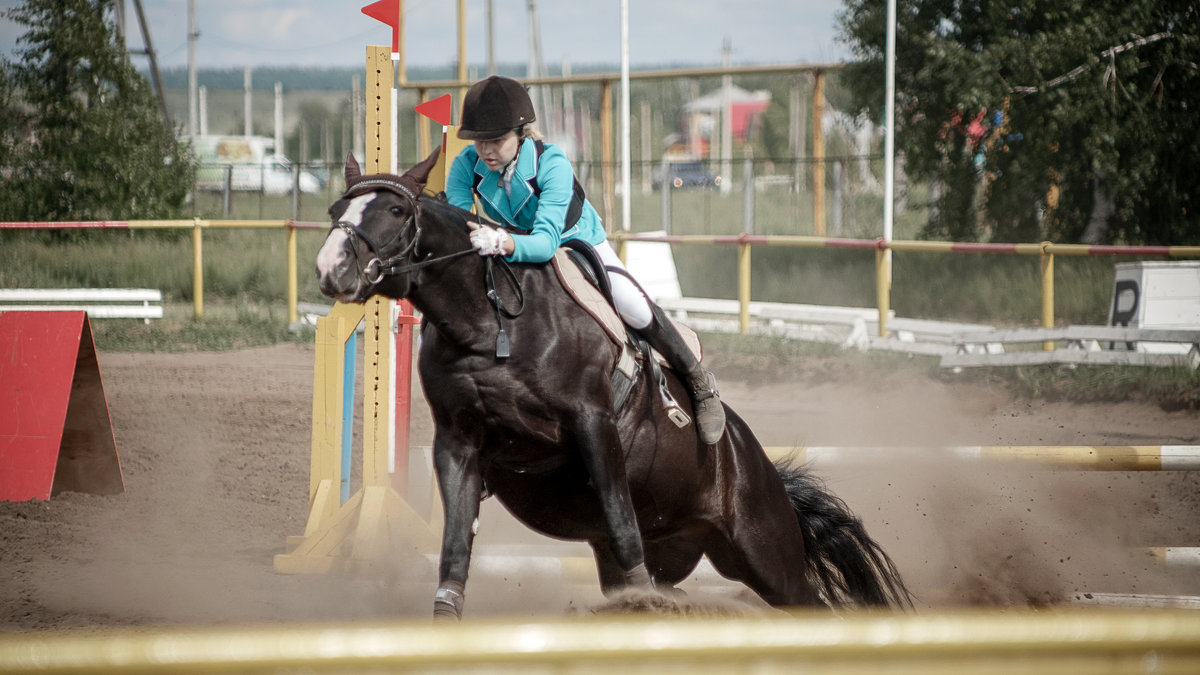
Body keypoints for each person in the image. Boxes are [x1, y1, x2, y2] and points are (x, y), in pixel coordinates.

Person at [445, 75, 725, 444]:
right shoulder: (467, 164)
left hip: (578, 244)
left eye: (496, 140)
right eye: (479, 141)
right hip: (515, 248)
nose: (485, 150)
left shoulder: (553, 163)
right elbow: (457, 224)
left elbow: (546, 244)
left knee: (633, 305)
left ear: (521, 133)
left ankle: (698, 381)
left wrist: (500, 241)